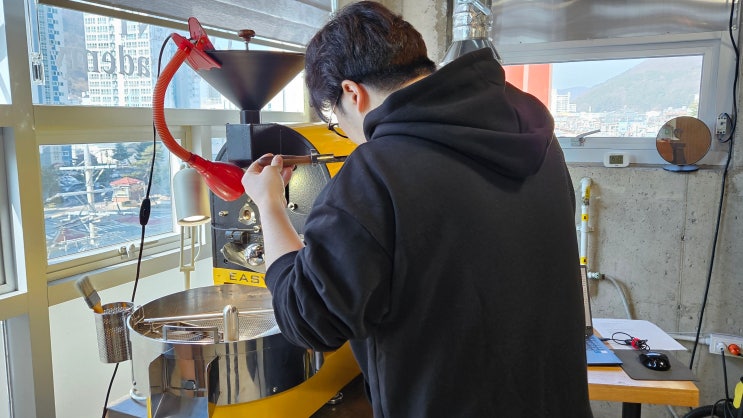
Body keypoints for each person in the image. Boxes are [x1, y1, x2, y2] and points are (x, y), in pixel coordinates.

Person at [241, 1, 593, 417]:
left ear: (352, 93)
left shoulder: (376, 170)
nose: (348, 135)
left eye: (336, 121)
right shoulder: (535, 133)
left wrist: (269, 204)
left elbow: (308, 319)